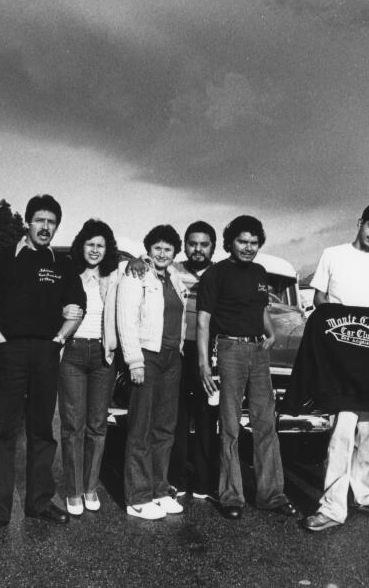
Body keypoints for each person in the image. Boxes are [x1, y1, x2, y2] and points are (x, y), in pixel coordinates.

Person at [0, 195, 86, 539]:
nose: (45, 227)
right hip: (9, 351)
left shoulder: (62, 264)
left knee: (41, 430)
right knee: (2, 431)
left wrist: (60, 339)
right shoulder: (3, 258)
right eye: (39, 220)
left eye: (51, 222)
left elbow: (78, 304)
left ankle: (38, 502)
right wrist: (0, 341)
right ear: (28, 222)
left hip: (46, 352)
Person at [303, 203, 369, 532]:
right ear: (360, 223)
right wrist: (346, 322)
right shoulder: (333, 254)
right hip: (340, 357)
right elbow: (319, 302)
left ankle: (364, 493)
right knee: (342, 434)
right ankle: (332, 507)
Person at [196, 215, 298, 521]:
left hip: (258, 352)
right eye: (243, 241)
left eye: (254, 243)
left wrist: (271, 333)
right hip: (229, 350)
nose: (248, 248)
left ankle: (271, 494)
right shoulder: (216, 274)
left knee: (266, 423)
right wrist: (203, 363)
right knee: (229, 424)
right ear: (231, 242)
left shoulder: (259, 272)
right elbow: (202, 322)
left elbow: (261, 307)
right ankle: (231, 496)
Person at [117, 225, 189, 520]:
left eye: (168, 249)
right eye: (157, 248)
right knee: (141, 427)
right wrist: (134, 360)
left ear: (174, 253)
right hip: (147, 355)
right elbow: (126, 318)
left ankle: (160, 489)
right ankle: (137, 496)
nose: (162, 253)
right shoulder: (135, 273)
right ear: (148, 249)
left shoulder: (174, 276)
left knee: (165, 427)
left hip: (173, 358)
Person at [58, 219, 125, 517]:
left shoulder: (115, 276)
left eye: (100, 245)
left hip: (103, 354)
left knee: (98, 425)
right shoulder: (68, 273)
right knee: (73, 424)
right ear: (81, 246)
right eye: (90, 244)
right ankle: (72, 490)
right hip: (72, 351)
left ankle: (90, 487)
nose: (95, 250)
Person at [167, 221, 220, 500]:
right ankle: (177, 479)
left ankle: (203, 481)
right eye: (192, 243)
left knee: (206, 417)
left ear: (213, 246)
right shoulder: (172, 269)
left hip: (209, 352)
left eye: (204, 244)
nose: (198, 249)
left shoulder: (220, 273)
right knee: (178, 416)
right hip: (178, 350)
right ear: (185, 245)